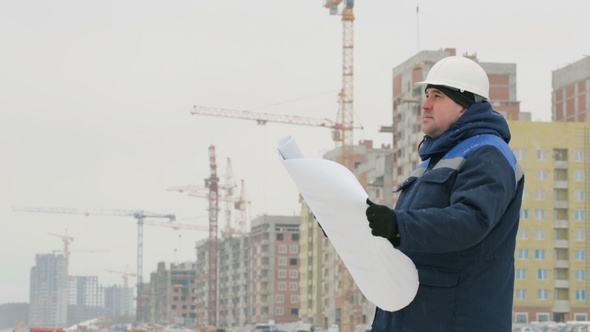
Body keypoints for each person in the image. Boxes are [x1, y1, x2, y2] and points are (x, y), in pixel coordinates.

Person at [365, 56, 525, 331]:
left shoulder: (489, 154)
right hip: (412, 317)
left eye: (437, 96)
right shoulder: (431, 162)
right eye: (427, 95)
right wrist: (353, 226)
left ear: (464, 105)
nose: (425, 104)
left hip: (455, 319)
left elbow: (470, 221)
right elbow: (406, 238)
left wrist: (397, 224)